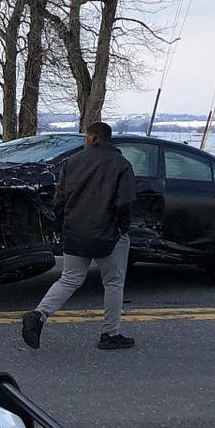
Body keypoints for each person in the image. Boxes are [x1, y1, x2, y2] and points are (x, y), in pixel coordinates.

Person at [22, 121, 137, 350]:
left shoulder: (71, 163)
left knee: (70, 279)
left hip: (75, 232)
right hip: (108, 235)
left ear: (92, 137)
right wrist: (124, 228)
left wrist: (62, 225)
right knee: (113, 283)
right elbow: (124, 203)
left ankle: (38, 314)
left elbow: (59, 200)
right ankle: (110, 334)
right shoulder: (121, 164)